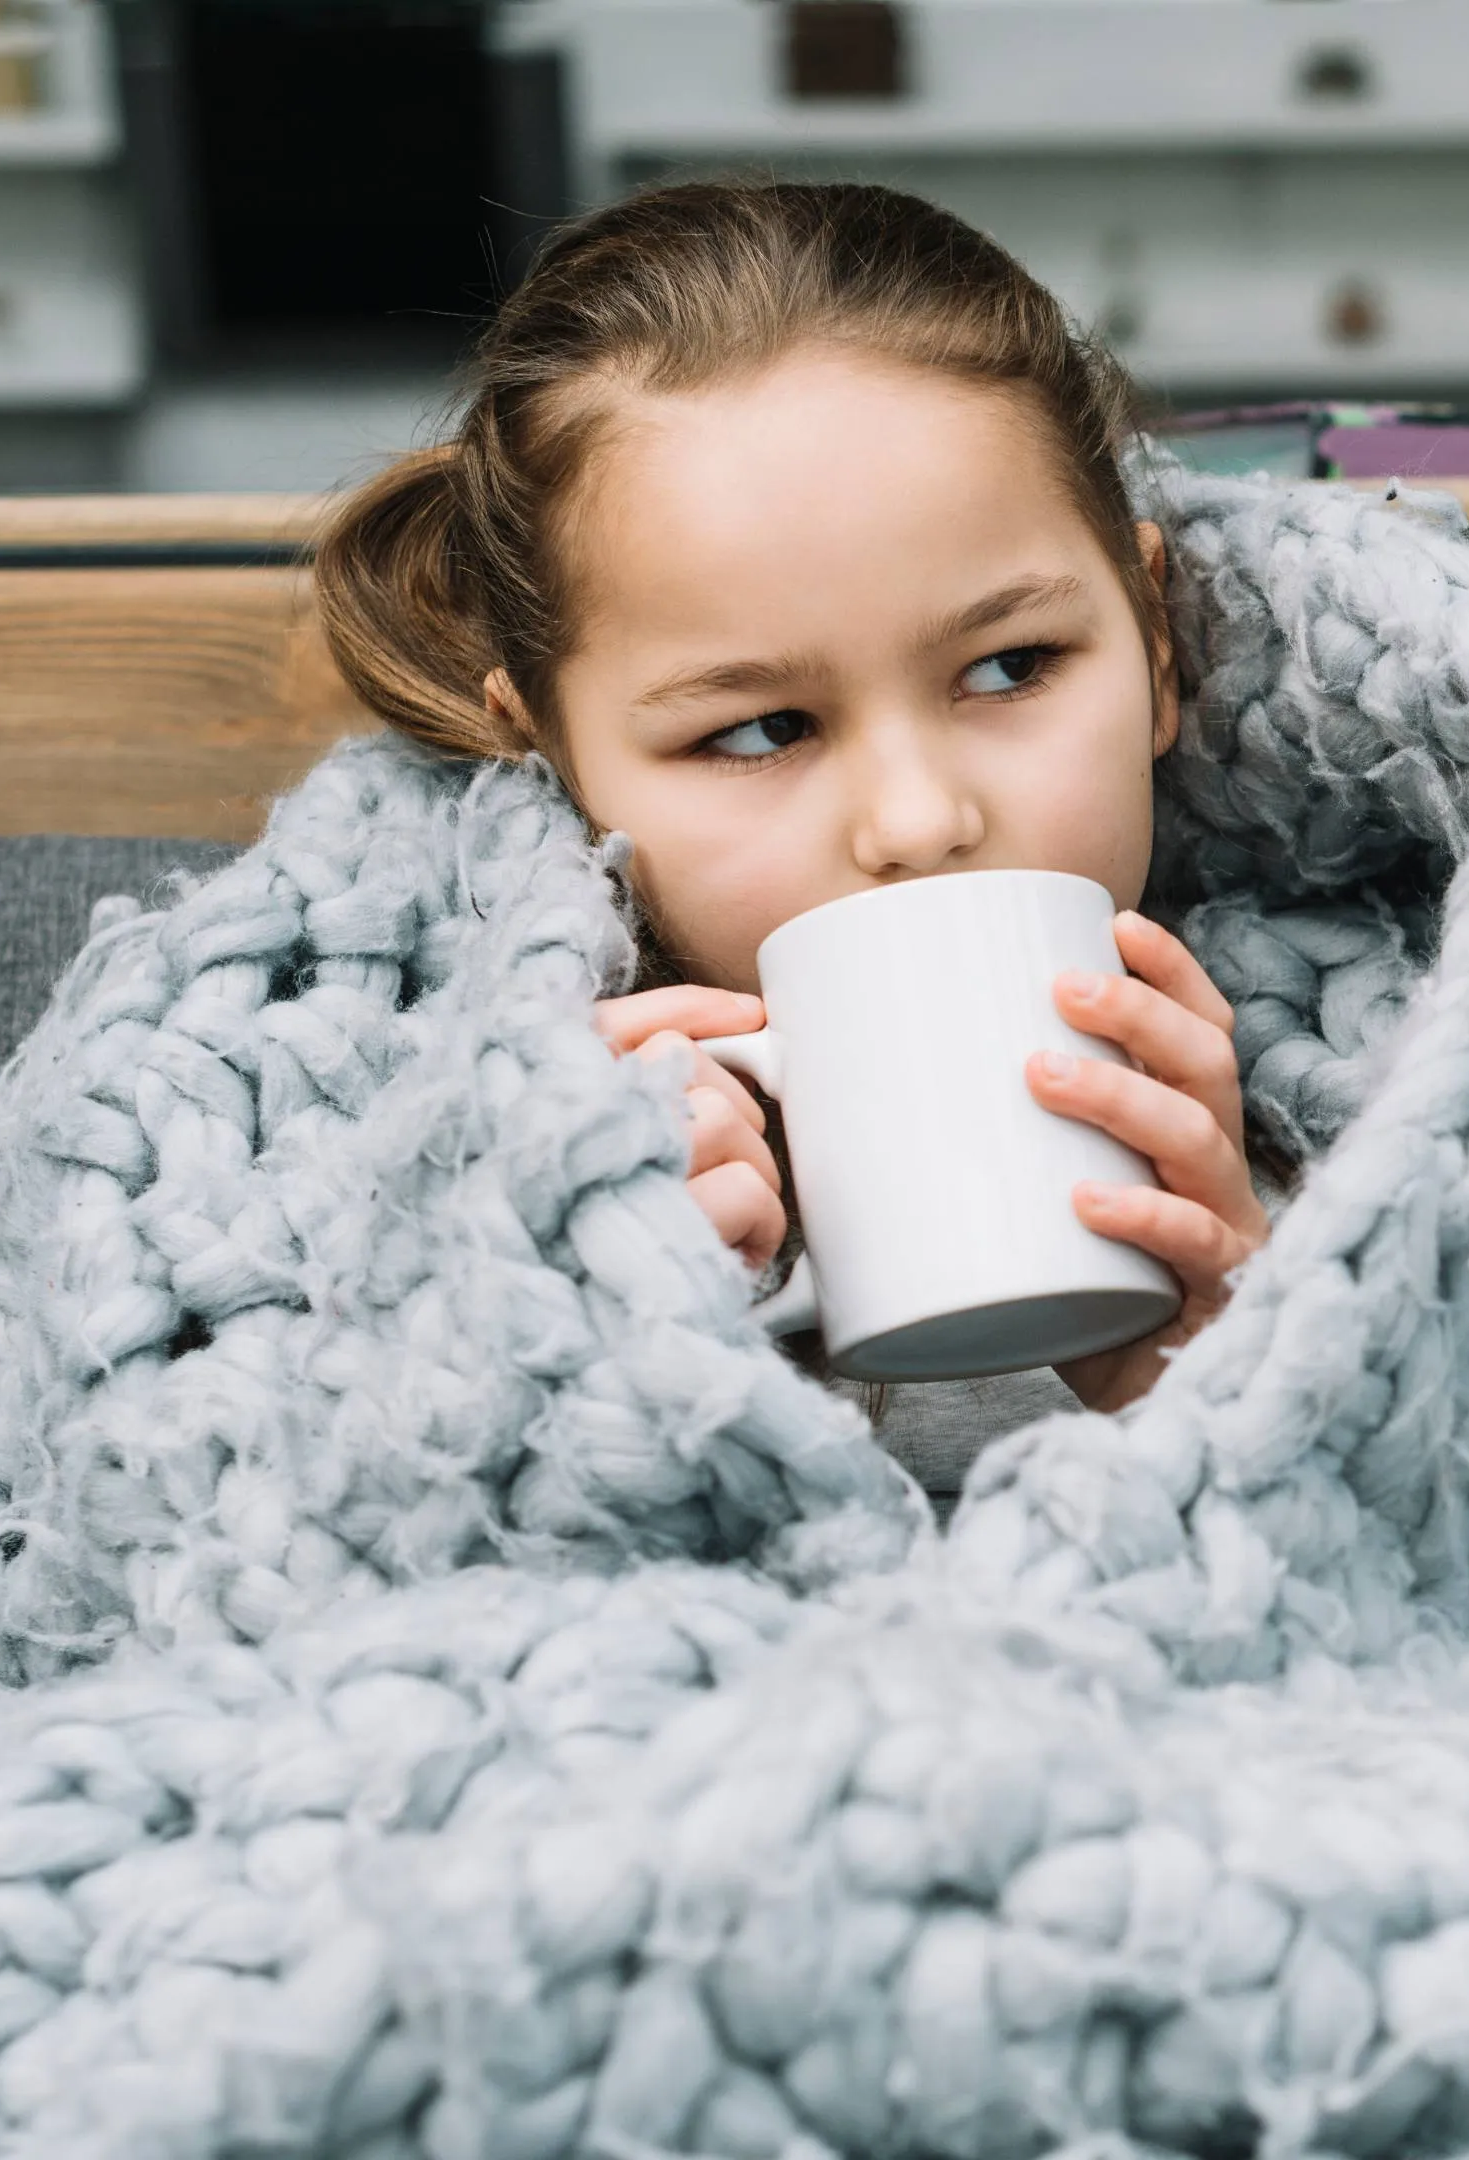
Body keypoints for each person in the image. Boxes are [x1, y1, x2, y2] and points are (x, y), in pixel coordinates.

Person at [309, 180, 1280, 1505]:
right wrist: (566, 1375)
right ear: (556, 764)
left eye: (1009, 668)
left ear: (1155, 647)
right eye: (762, 732)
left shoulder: (1395, 1125)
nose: (920, 821)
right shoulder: (395, 1178)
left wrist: (1231, 1386)